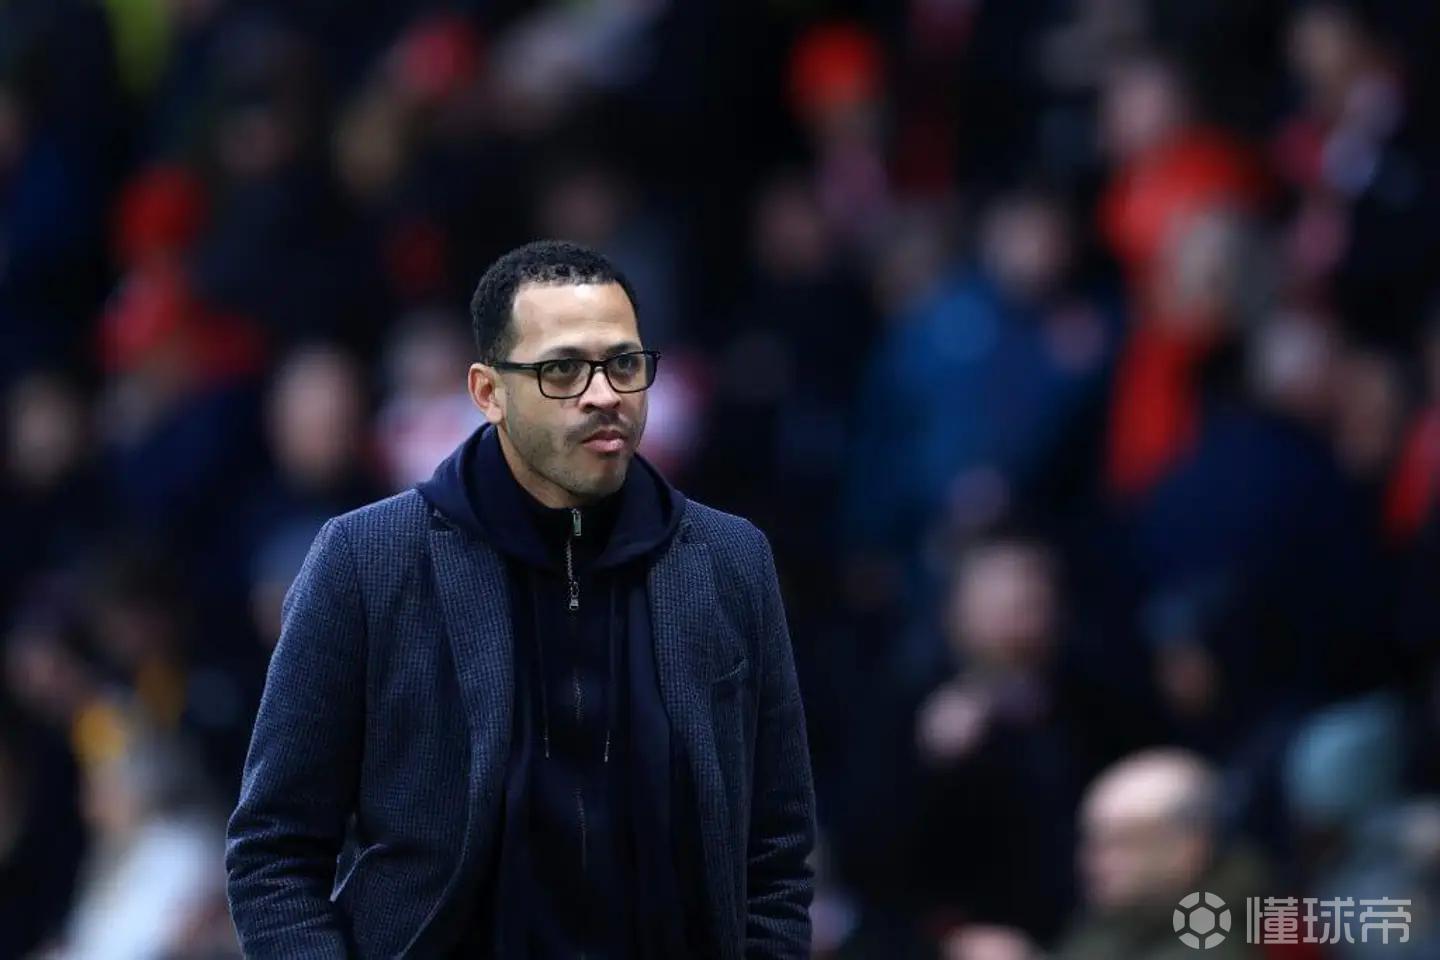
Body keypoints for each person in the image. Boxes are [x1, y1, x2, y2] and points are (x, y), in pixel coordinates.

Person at [225, 240, 816, 958]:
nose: (604, 394)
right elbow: (274, 852)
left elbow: (777, 852)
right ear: (487, 393)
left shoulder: (730, 561)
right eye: (562, 369)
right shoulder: (366, 560)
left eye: (625, 364)